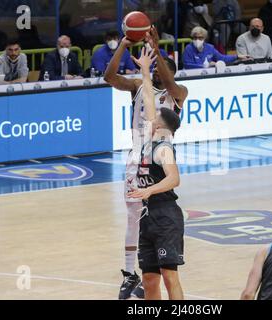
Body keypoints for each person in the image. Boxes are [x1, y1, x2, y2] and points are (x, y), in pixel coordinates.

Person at [104, 26, 188, 300]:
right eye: (152, 70)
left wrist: (156, 47)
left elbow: (166, 79)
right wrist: (124, 47)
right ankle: (131, 274)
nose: (155, 73)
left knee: (155, 209)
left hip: (157, 156)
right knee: (134, 218)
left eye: (159, 70)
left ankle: (155, 267)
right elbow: (109, 77)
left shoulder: (178, 92)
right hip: (136, 157)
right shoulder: (143, 88)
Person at [128, 46, 184, 300]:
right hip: (148, 215)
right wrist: (144, 71)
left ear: (163, 125)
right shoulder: (151, 137)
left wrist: (147, 190)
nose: (150, 117)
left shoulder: (163, 148)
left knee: (169, 276)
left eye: (155, 117)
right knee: (150, 280)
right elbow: (150, 99)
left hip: (165, 215)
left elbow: (174, 179)